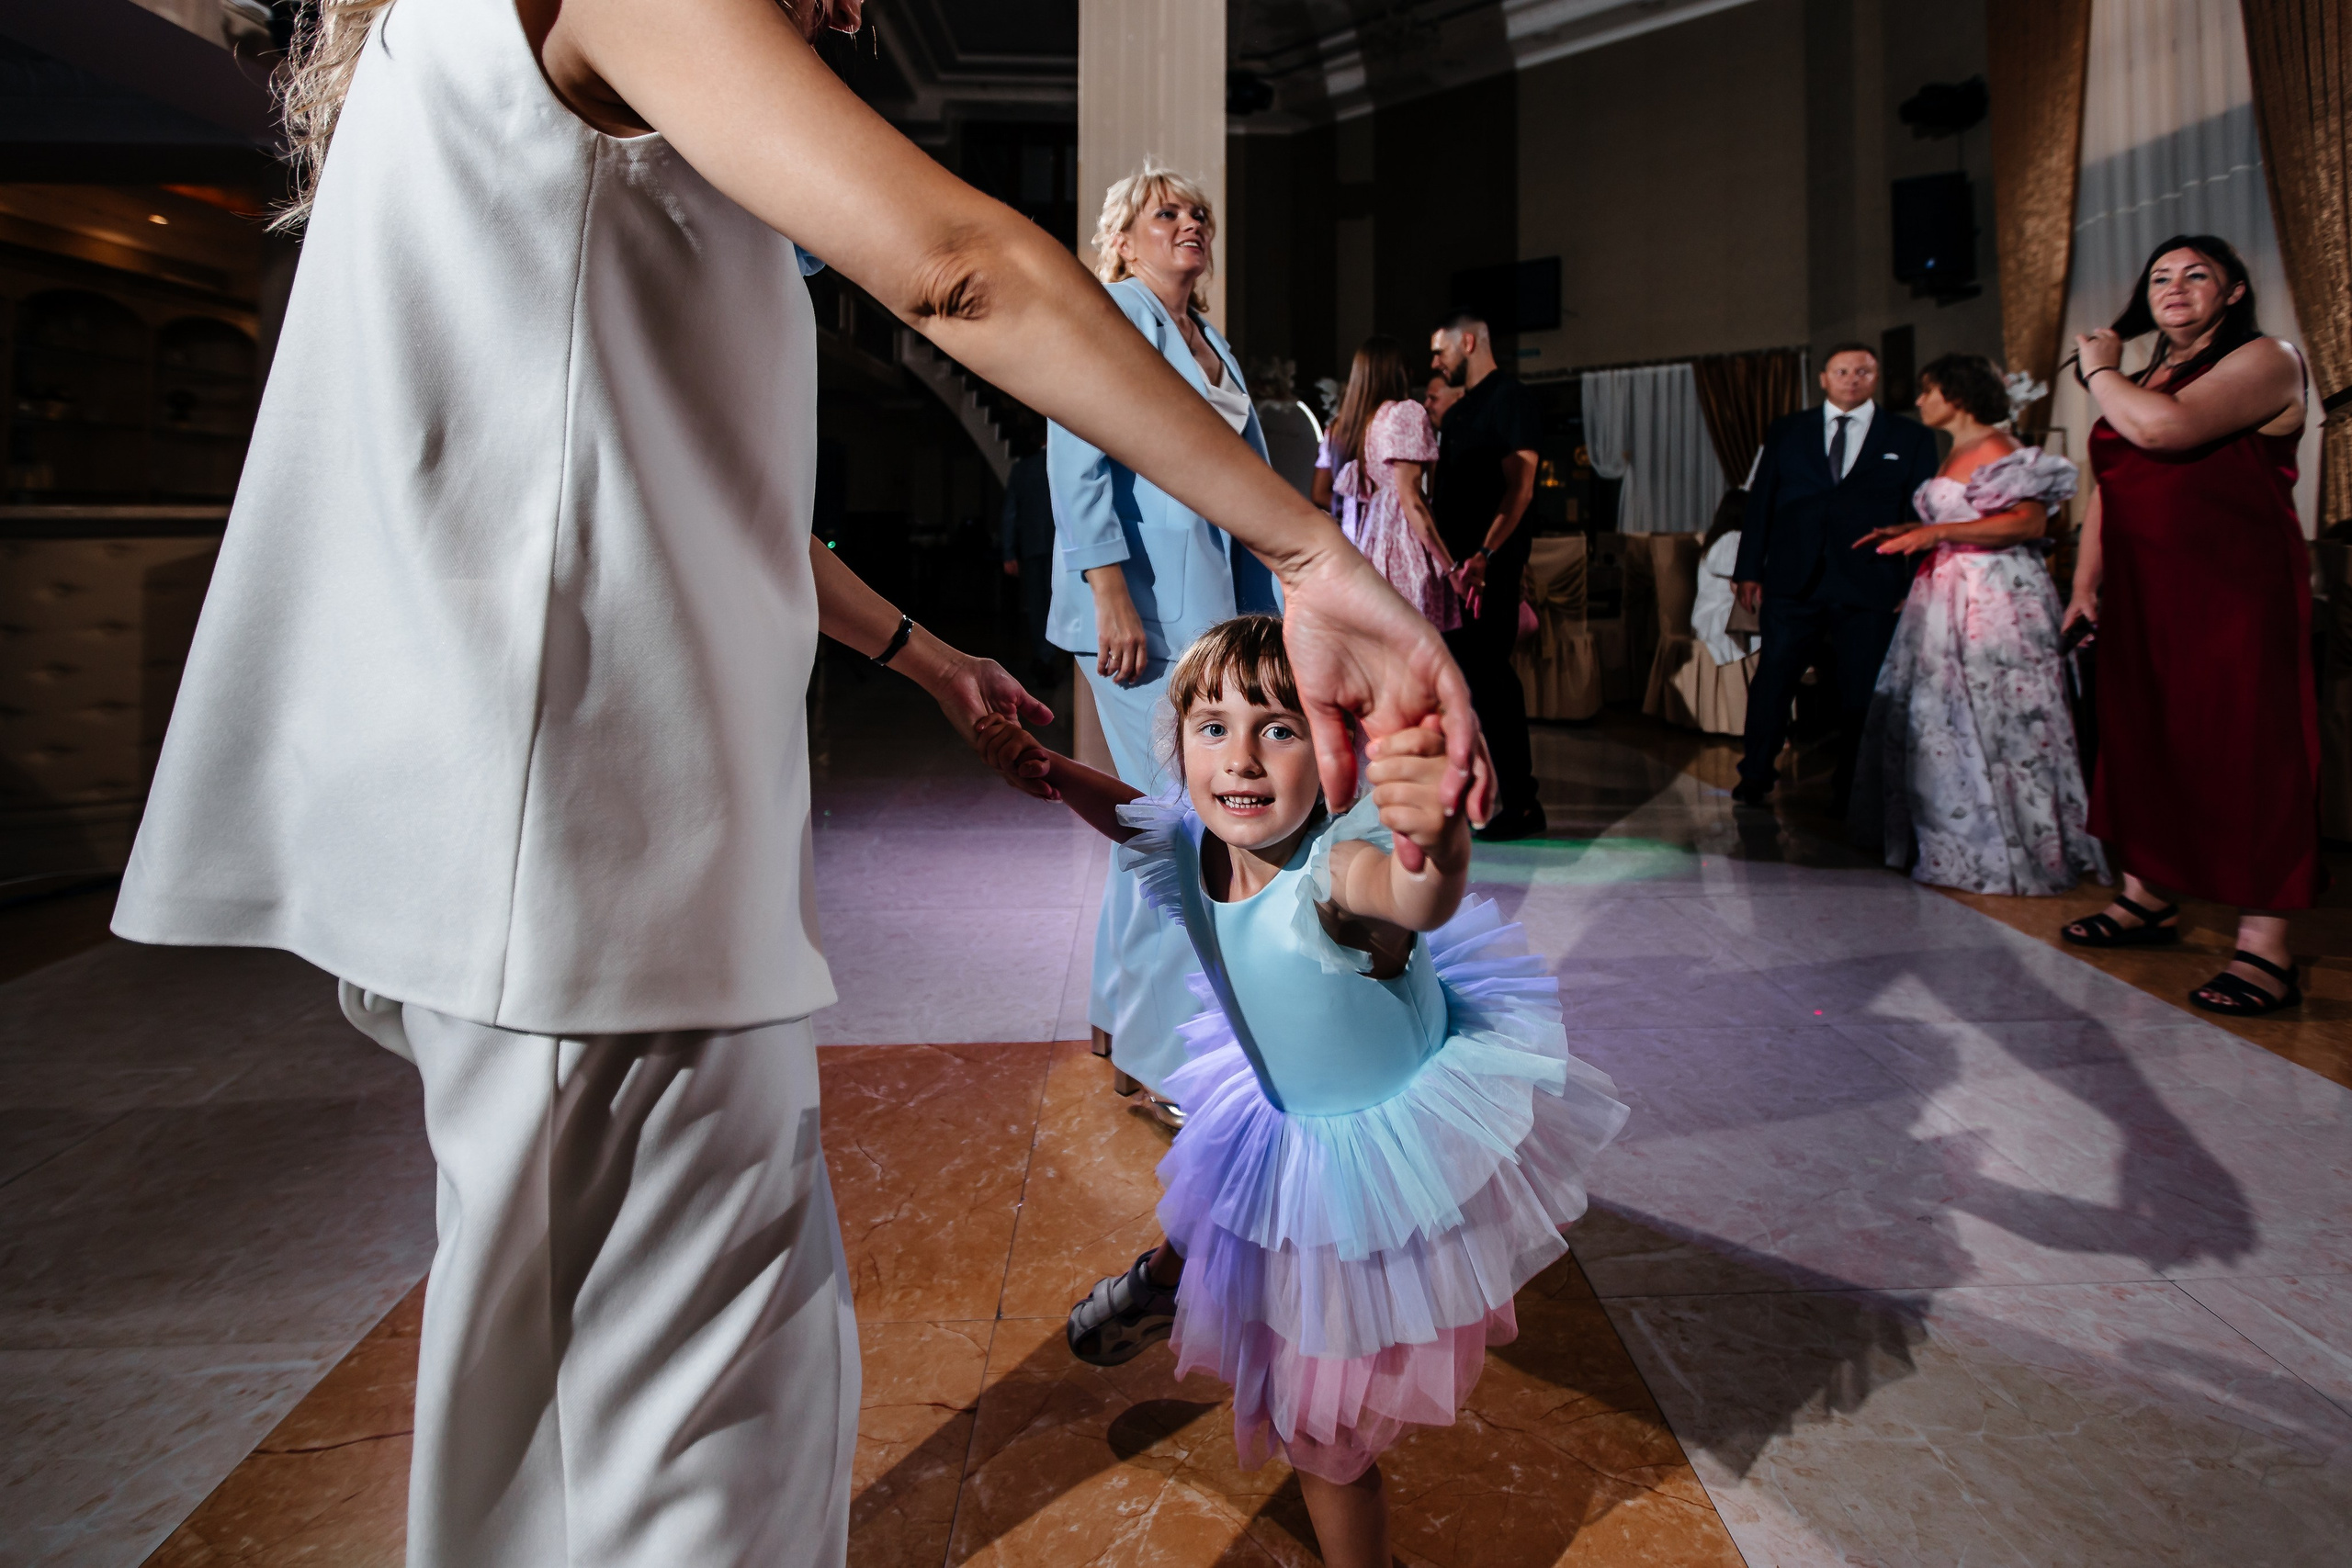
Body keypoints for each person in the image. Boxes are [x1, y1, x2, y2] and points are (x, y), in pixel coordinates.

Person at [106, 2, 1487, 1562]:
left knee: (615, 1413)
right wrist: (1310, 549)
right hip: (582, 870)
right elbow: (959, 264)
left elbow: (668, 456)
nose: (849, 12)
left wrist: (922, 657)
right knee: (667, 1459)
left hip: (562, 864)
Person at [970, 615, 1625, 1568]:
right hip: (1274, 1105)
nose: (1239, 757)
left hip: (1374, 1150)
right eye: (1211, 727)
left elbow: (1410, 898)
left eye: (1277, 728)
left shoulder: (1336, 872)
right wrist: (1047, 768)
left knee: (1319, 1428)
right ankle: (1162, 1282)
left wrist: (1436, 844)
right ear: (1181, 743)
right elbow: (1129, 817)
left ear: (1333, 753)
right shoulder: (1191, 845)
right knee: (1226, 1197)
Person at [1048, 161, 1283, 1114]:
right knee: (1182, 831)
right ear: (1123, 237)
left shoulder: (1206, 339)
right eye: (1165, 212)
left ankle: (1116, 1015)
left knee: (1153, 825)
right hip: (1138, 617)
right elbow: (1077, 442)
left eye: (1197, 213)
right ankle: (1157, 1056)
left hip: (1209, 615)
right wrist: (1107, 586)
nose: (1188, 223)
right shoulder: (1115, 311)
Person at [2059, 234, 2313, 1017]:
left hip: (2233, 589)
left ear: (2233, 291)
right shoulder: (2141, 379)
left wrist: (2098, 367)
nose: (2174, 285)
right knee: (2139, 738)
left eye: (2196, 273)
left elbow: (2162, 432)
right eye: (2161, 275)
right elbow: (2113, 482)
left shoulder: (2266, 357)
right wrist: (2084, 581)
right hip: (2142, 589)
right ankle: (2145, 896)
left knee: (2248, 753)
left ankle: (2265, 948)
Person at [1849, 354, 2104, 894]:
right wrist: (1907, 530)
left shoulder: (1998, 447)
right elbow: (1963, 517)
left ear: (1956, 394)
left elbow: (2028, 521)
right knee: (1945, 719)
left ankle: (2011, 849)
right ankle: (1954, 842)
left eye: (1928, 389)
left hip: (1993, 593)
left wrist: (1936, 536)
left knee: (1996, 717)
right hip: (1949, 592)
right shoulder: (1957, 451)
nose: (1920, 400)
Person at [1731, 343, 1941, 809]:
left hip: (1869, 581)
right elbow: (1761, 501)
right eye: (1842, 371)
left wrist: (1911, 586)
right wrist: (1749, 569)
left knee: (1861, 690)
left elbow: (1923, 517)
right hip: (1792, 579)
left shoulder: (1910, 437)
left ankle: (1853, 782)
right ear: (1824, 378)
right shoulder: (1788, 431)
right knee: (1773, 679)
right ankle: (1755, 773)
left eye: (1863, 371)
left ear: (1876, 377)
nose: (1852, 378)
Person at [1430, 310, 1545, 840]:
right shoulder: (1458, 411)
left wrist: (1485, 554)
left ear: (1469, 342)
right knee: (1466, 684)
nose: (1436, 362)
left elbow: (1519, 489)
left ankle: (1522, 804)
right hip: (1454, 572)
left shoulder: (1511, 399)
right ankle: (1480, 796)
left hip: (1487, 567)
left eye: (1441, 351)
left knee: (1492, 681)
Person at [1325, 336, 1457, 629]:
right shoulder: (1405, 413)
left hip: (1374, 541)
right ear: (1398, 372)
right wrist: (1451, 568)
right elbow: (1411, 499)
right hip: (1405, 543)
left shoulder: (1370, 421)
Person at [1000, 420, 1057, 686]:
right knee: (1061, 605)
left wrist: (1009, 552)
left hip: (1033, 545)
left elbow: (1010, 514)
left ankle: (1043, 658)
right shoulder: (1064, 465)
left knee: (1037, 607)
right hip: (1063, 549)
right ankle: (1055, 659)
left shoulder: (1023, 469)